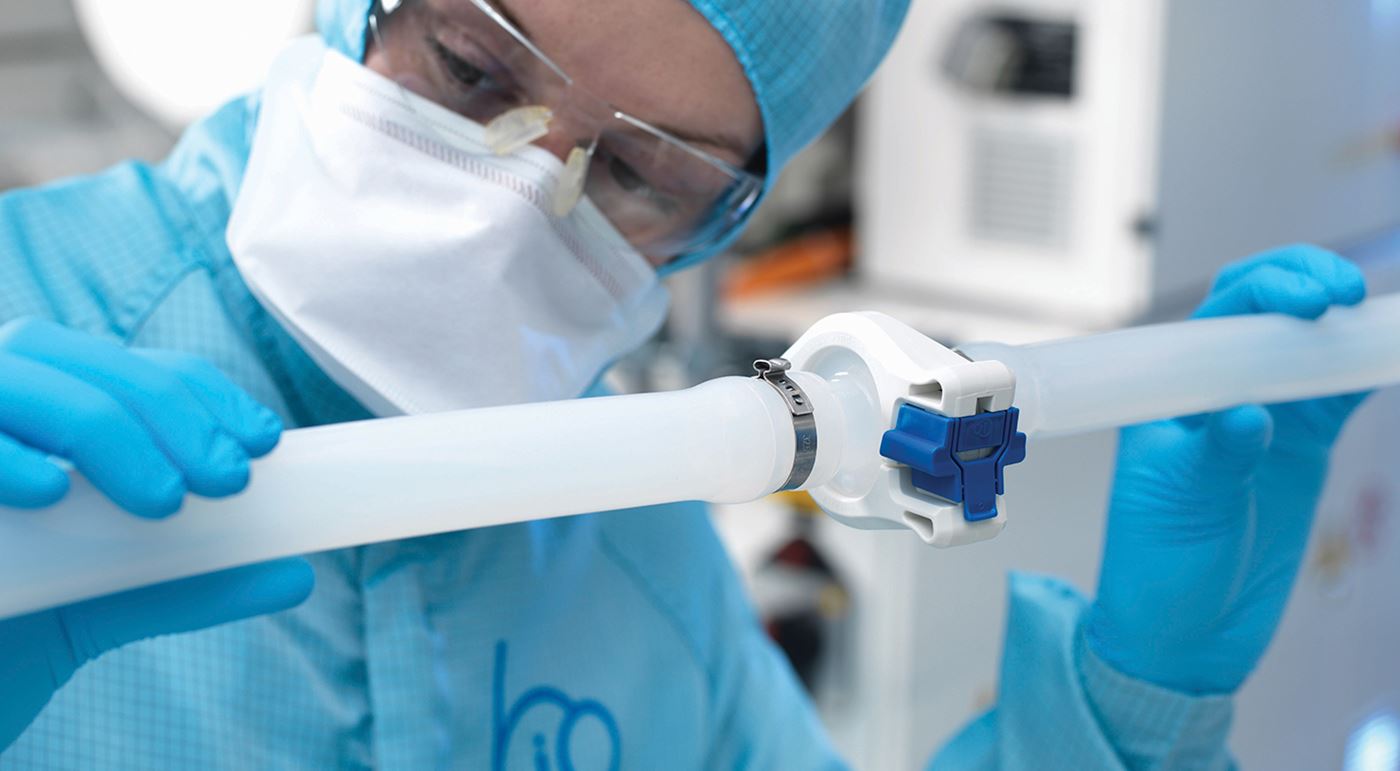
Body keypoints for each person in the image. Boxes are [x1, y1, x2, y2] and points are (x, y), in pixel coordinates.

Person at [0, 0, 1367, 767]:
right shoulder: (23, 339)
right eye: (473, 70)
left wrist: (1126, 708)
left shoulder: (637, 544)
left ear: (727, 225)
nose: (515, 195)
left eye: (646, 176)